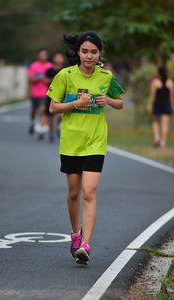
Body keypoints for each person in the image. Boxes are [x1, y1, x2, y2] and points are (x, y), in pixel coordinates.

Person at [47, 31, 124, 265]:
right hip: (71, 142)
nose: (89, 56)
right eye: (85, 51)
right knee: (73, 193)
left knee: (89, 192)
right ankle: (75, 234)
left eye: (94, 52)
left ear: (100, 53)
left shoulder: (106, 76)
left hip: (95, 141)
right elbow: (53, 108)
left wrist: (109, 101)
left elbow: (120, 102)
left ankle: (86, 245)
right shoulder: (65, 75)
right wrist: (74, 104)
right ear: (78, 52)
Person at [27, 48, 52, 135]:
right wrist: (38, 78)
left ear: (47, 56)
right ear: (38, 56)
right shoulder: (34, 65)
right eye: (41, 55)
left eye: (45, 55)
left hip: (45, 93)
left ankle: (41, 126)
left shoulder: (50, 66)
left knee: (42, 110)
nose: (43, 56)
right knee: (34, 110)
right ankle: (32, 122)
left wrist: (46, 80)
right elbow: (30, 79)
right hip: (35, 93)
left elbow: (52, 80)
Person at [147, 66, 174, 148]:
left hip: (157, 104)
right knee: (165, 124)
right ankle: (163, 143)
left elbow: (152, 96)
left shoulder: (155, 82)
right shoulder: (170, 82)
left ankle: (157, 136)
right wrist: (172, 105)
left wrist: (149, 104)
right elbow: (171, 96)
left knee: (155, 121)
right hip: (166, 105)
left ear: (158, 73)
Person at [45, 52, 65, 142]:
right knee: (51, 116)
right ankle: (51, 133)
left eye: (60, 57)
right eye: (57, 57)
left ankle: (58, 127)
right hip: (51, 94)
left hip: (63, 95)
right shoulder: (50, 70)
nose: (58, 59)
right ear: (53, 59)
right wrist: (53, 80)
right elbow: (45, 80)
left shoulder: (65, 70)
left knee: (61, 115)